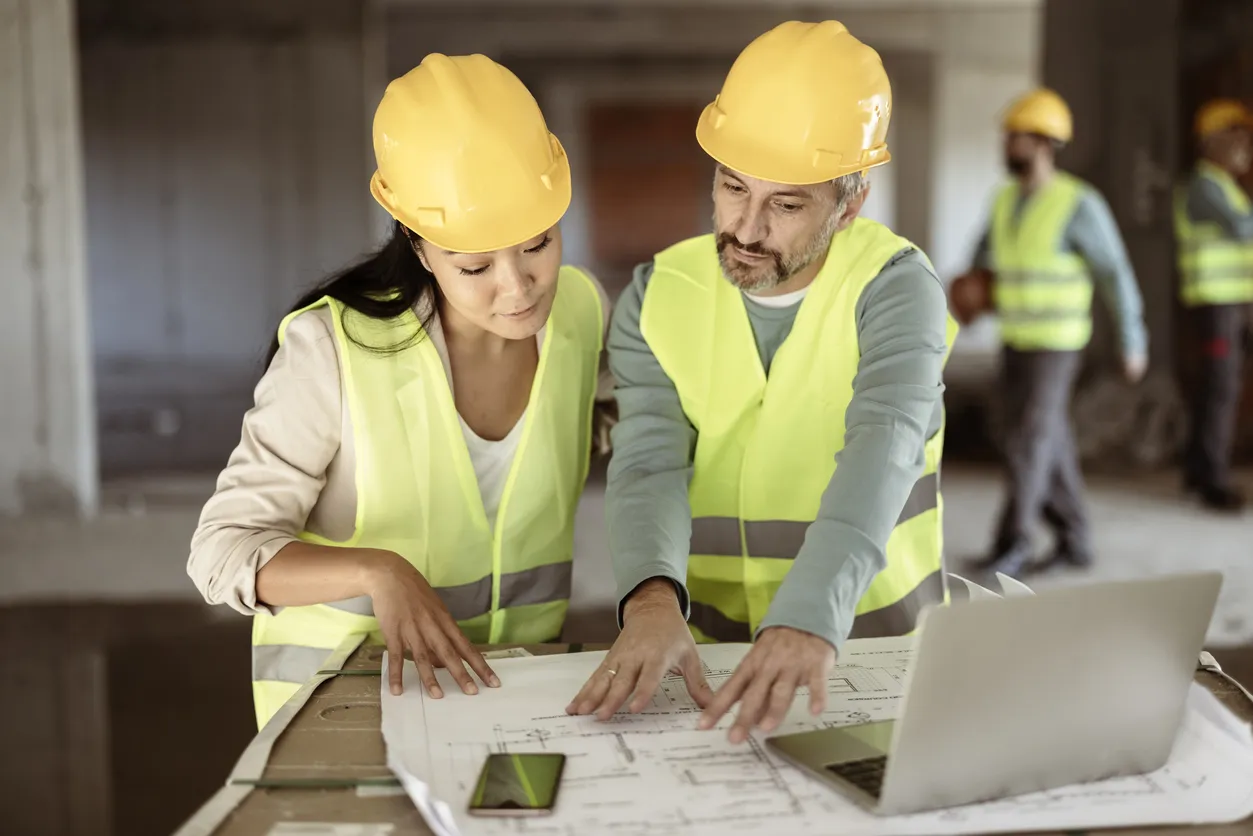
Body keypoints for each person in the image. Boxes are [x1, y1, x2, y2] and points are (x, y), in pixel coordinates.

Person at [188, 53, 610, 729]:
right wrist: (376, 572)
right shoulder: (330, 349)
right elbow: (220, 554)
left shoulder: (583, 313)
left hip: (515, 696)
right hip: (340, 711)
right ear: (417, 245)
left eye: (538, 244)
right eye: (474, 265)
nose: (518, 286)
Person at [566, 20, 958, 744]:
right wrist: (651, 602)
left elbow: (883, 447)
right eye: (731, 187)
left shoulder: (895, 287)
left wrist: (810, 614)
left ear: (849, 204)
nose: (744, 229)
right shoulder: (659, 293)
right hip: (710, 649)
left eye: (784, 204)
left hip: (872, 643)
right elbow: (649, 463)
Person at [964, 88, 1149, 579]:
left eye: (1015, 137)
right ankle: (1075, 539)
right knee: (1048, 440)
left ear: (1043, 143)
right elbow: (983, 259)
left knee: (1028, 440)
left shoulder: (1078, 204)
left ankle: (1014, 542)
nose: (1005, 145)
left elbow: (1115, 273)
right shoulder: (1004, 200)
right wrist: (970, 292)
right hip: (1017, 338)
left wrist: (1133, 340)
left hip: (1058, 345)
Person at [1173, 98, 1253, 513]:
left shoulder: (1225, 186)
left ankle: (1198, 469)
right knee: (1220, 391)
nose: (1246, 148)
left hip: (1232, 303)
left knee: (1217, 390)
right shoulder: (1205, 185)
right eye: (1237, 139)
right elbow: (1242, 230)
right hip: (1216, 305)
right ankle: (1213, 480)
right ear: (1212, 143)